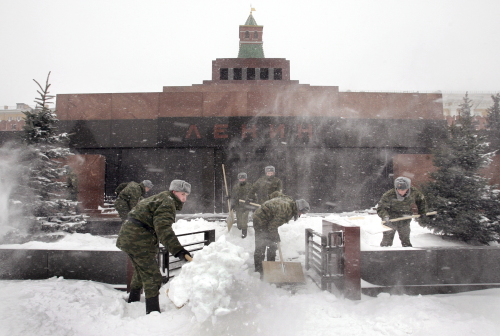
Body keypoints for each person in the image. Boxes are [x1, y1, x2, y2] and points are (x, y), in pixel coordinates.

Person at [116, 179, 192, 314]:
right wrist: (179, 251)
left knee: (141, 271)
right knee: (153, 276)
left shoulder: (162, 198)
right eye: (182, 195)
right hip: (138, 239)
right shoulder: (168, 203)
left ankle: (133, 300)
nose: (184, 199)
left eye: (186, 196)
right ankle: (152, 312)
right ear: (174, 192)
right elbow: (163, 229)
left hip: (129, 237)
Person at [252, 193, 310, 277]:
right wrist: (276, 237)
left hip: (268, 219)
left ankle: (270, 266)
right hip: (260, 220)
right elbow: (272, 227)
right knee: (261, 244)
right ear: (298, 209)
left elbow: (276, 194)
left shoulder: (289, 202)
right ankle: (258, 270)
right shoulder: (285, 211)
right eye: (301, 212)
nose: (300, 215)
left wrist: (270, 207)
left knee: (272, 244)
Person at [376, 176, 427, 247]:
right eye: (399, 189)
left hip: (405, 219)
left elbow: (421, 201)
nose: (401, 192)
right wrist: (385, 217)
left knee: (406, 240)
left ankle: (408, 254)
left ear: (408, 188)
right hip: (390, 219)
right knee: (386, 242)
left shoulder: (414, 192)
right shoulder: (389, 195)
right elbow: (381, 208)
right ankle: (384, 254)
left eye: (403, 190)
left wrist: (422, 212)